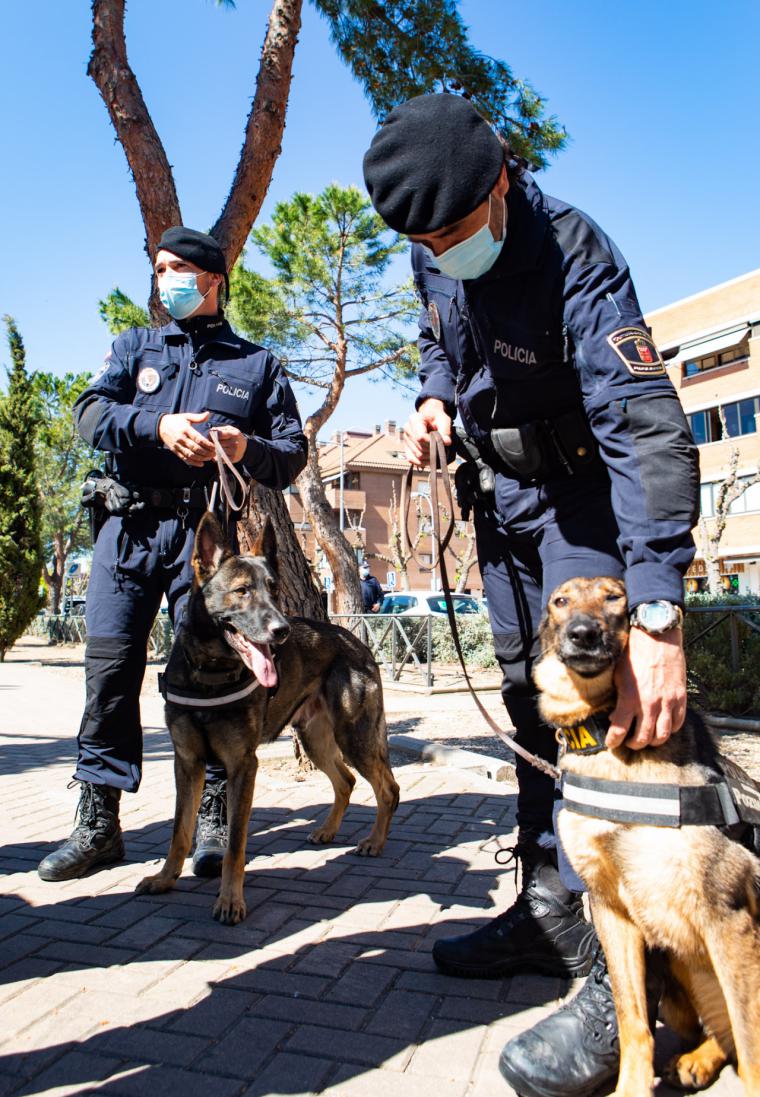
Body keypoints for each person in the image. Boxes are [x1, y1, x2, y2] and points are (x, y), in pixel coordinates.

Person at [362, 94, 699, 1097]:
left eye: (453, 232)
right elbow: (438, 333)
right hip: (499, 505)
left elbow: (644, 425)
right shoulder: (434, 243)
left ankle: (628, 985)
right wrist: (430, 396)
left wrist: (658, 609)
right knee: (524, 706)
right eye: (423, 240)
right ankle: (547, 908)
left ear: (500, 182)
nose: (438, 250)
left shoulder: (576, 255)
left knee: (607, 729)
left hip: (580, 502)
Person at [38, 227, 308, 884]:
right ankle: (98, 821)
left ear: (213, 278)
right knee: (108, 674)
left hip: (204, 545)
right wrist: (154, 424)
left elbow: (292, 453)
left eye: (178, 269)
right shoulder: (136, 347)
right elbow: (88, 413)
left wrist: (247, 450)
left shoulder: (256, 365)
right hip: (125, 532)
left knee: (213, 678)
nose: (166, 280)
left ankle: (214, 816)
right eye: (159, 269)